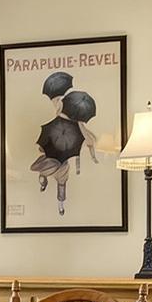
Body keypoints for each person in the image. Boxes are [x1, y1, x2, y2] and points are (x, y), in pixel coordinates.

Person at [32, 88, 99, 217]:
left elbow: (87, 142)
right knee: (54, 180)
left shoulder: (70, 124)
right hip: (55, 160)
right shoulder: (68, 122)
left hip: (60, 162)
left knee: (57, 182)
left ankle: (59, 203)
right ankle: (56, 200)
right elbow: (88, 142)